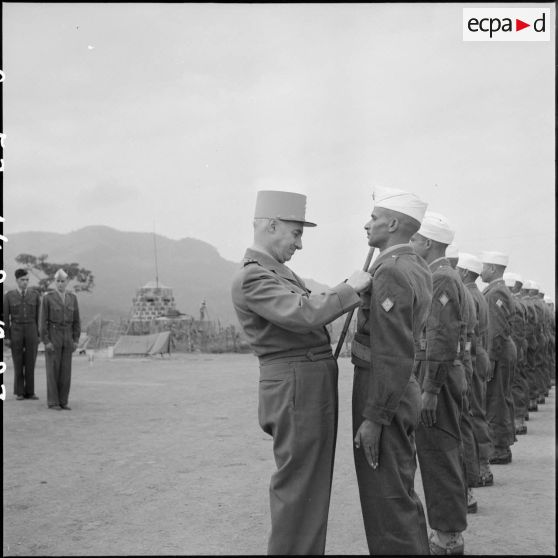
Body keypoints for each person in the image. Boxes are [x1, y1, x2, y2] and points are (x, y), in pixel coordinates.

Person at [230, 190, 371, 555]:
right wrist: (348, 288)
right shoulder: (253, 278)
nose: (300, 243)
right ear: (272, 225)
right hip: (295, 386)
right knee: (299, 489)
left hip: (305, 383)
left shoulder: (279, 273)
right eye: (295, 233)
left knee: (310, 487)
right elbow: (302, 314)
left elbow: (306, 307)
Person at [350, 186, 431, 555]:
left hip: (382, 386)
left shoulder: (393, 272)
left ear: (394, 224)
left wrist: (374, 417)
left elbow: (393, 351)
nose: (368, 225)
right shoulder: (414, 264)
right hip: (396, 384)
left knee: (386, 498)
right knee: (397, 491)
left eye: (374, 218)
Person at [410, 212, 468, 556]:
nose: (412, 244)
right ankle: (448, 532)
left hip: (438, 375)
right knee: (441, 450)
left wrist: (430, 388)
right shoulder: (445, 275)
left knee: (437, 453)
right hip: (442, 372)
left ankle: (447, 538)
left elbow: (442, 338)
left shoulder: (440, 279)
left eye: (415, 239)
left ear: (427, 243)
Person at [456, 253, 494, 487]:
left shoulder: (468, 294)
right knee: (477, 410)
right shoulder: (478, 294)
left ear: (464, 273)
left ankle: (481, 467)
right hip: (479, 353)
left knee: (473, 412)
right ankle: (482, 466)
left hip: (472, 354)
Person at [480, 251, 517, 465]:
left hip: (498, 352)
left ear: (493, 268)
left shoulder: (496, 293)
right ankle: (501, 444)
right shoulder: (496, 290)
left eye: (484, 266)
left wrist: (490, 360)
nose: (481, 271)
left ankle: (499, 448)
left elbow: (495, 329)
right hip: (502, 351)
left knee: (496, 400)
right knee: (499, 398)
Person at [40, 268, 81, 411]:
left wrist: (76, 339)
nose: (60, 284)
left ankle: (63, 401)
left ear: (67, 282)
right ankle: (53, 402)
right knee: (53, 370)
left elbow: (76, 321)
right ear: (54, 282)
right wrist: (46, 341)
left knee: (65, 371)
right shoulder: (48, 298)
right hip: (54, 335)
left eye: (63, 281)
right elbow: (42, 322)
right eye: (57, 281)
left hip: (67, 336)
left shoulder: (72, 298)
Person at [3, 268, 41, 400]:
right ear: (16, 280)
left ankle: (30, 392)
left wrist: (39, 334)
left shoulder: (35, 295)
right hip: (16, 331)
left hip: (31, 330)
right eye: (22, 280)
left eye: (27, 280)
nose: (25, 282)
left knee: (31, 361)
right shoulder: (8, 296)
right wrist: (7, 337)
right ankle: (19, 392)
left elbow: (38, 317)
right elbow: (5, 318)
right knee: (18, 361)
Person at [504, 273, 529, 435]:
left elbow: (517, 333)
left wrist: (516, 353)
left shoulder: (514, 303)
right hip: (516, 348)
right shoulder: (517, 302)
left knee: (516, 384)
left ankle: (518, 419)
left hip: (514, 348)